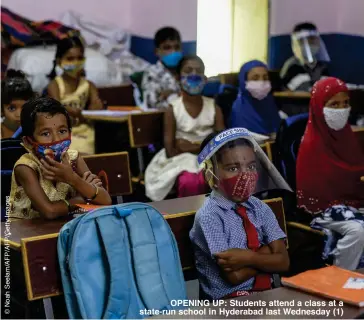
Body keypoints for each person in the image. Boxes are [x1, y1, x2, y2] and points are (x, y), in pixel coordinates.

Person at [190, 128, 290, 300]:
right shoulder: (210, 216)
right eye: (233, 168)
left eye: (251, 166)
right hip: (229, 302)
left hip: (268, 294)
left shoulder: (259, 208)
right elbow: (234, 277)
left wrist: (247, 257)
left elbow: (283, 262)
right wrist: (267, 255)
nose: (245, 175)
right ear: (210, 174)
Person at [296, 77, 364, 270]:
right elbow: (317, 193)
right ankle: (341, 278)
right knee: (358, 231)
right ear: (319, 107)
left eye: (346, 103)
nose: (341, 109)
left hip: (353, 203)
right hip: (324, 209)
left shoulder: (347, 136)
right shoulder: (311, 144)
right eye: (334, 104)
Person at [8, 97, 111, 220]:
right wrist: (81, 198)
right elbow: (49, 211)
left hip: (64, 230)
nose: (56, 139)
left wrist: (72, 179)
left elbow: (106, 200)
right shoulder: (25, 167)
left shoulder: (74, 158)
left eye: (62, 131)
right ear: (28, 142)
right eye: (46, 134)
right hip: (25, 235)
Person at [144, 55, 225, 201]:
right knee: (190, 181)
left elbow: (221, 144)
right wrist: (205, 145)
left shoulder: (214, 108)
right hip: (179, 160)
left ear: (205, 78)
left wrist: (191, 146)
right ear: (177, 78)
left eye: (198, 71)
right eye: (188, 71)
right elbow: (171, 151)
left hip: (208, 158)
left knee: (218, 175)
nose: (194, 75)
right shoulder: (173, 109)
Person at [47, 36, 103, 154]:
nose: (75, 63)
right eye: (70, 58)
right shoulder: (55, 85)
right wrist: (69, 111)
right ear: (59, 61)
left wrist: (96, 106)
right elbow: (56, 108)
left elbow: (96, 107)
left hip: (85, 133)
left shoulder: (89, 85)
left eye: (79, 58)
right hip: (63, 133)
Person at [230, 60, 281, 135]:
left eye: (265, 78)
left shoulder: (269, 101)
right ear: (244, 81)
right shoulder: (239, 108)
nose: (262, 82)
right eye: (255, 78)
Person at [280, 22, 329, 92]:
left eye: (312, 40)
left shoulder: (322, 67)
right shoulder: (291, 66)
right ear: (296, 43)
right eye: (303, 41)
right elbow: (285, 93)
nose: (308, 45)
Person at [141, 27, 182, 109]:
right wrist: (180, 97)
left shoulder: (186, 71)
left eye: (177, 47)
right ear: (157, 51)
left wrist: (172, 94)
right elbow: (153, 105)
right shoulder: (152, 73)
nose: (173, 51)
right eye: (167, 48)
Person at [1, 69, 34, 139]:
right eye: (12, 108)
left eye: (24, 107)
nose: (19, 114)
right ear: (1, 110)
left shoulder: (35, 131)